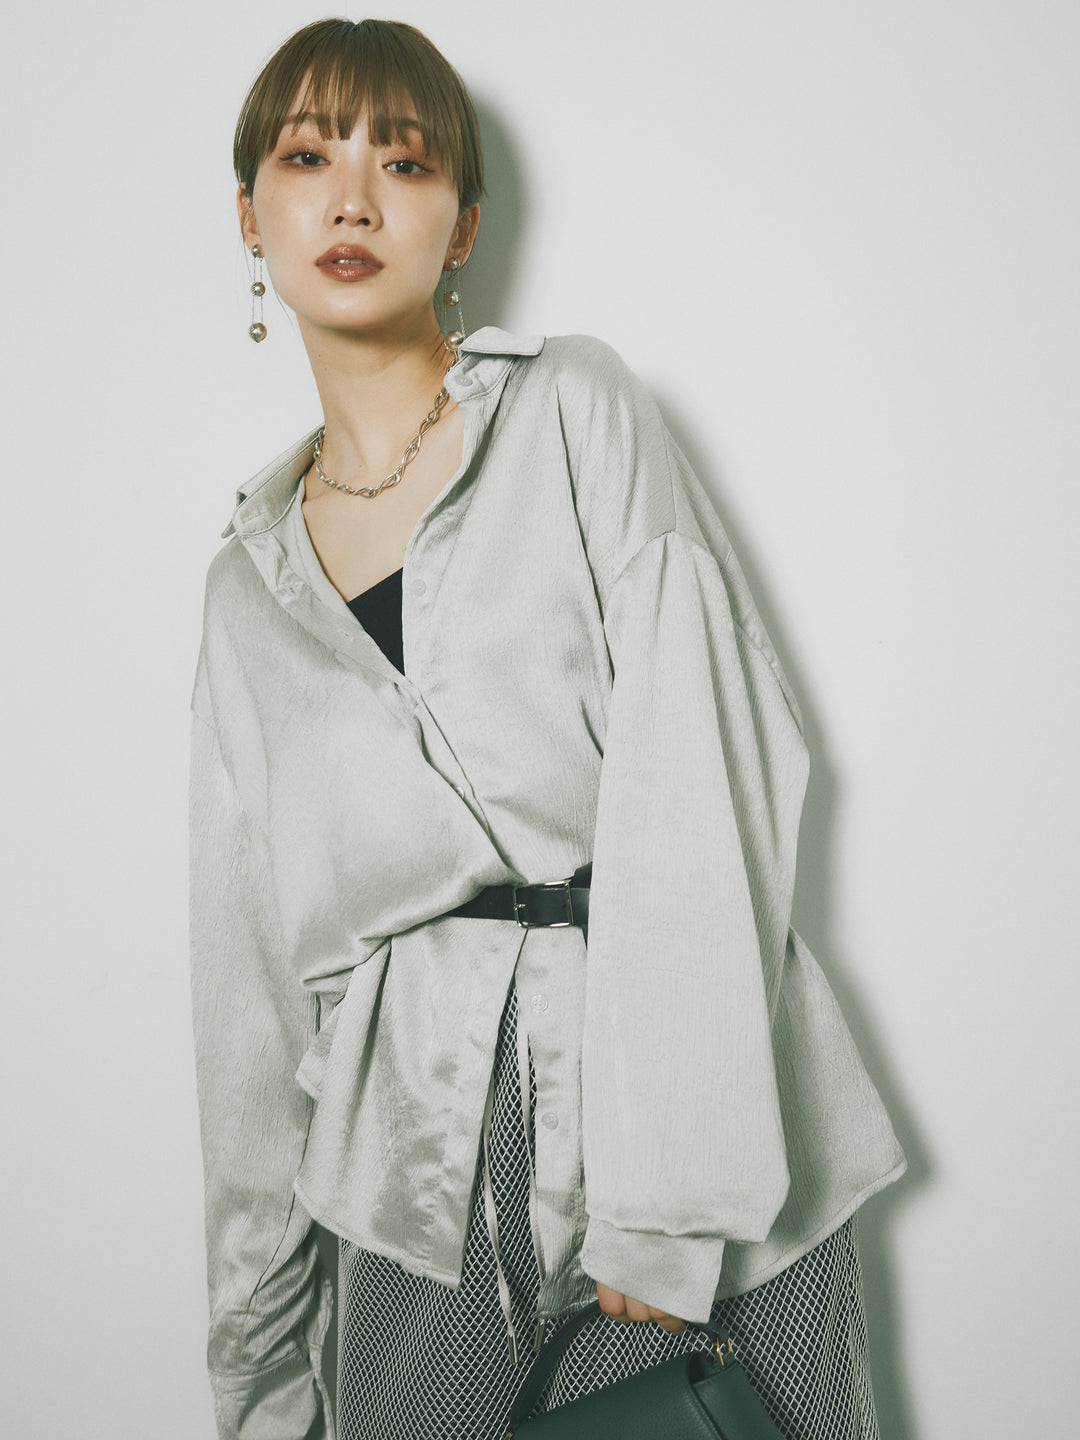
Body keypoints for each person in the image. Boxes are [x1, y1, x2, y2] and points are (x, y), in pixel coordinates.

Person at [189, 17, 906, 1440]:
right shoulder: (245, 591)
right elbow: (251, 987)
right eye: (309, 157)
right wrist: (258, 1370)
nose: (353, 199)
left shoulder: (576, 409)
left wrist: (664, 1205)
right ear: (250, 217)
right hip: (412, 1168)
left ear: (462, 226)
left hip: (686, 1120)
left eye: (405, 162)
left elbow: (707, 764)